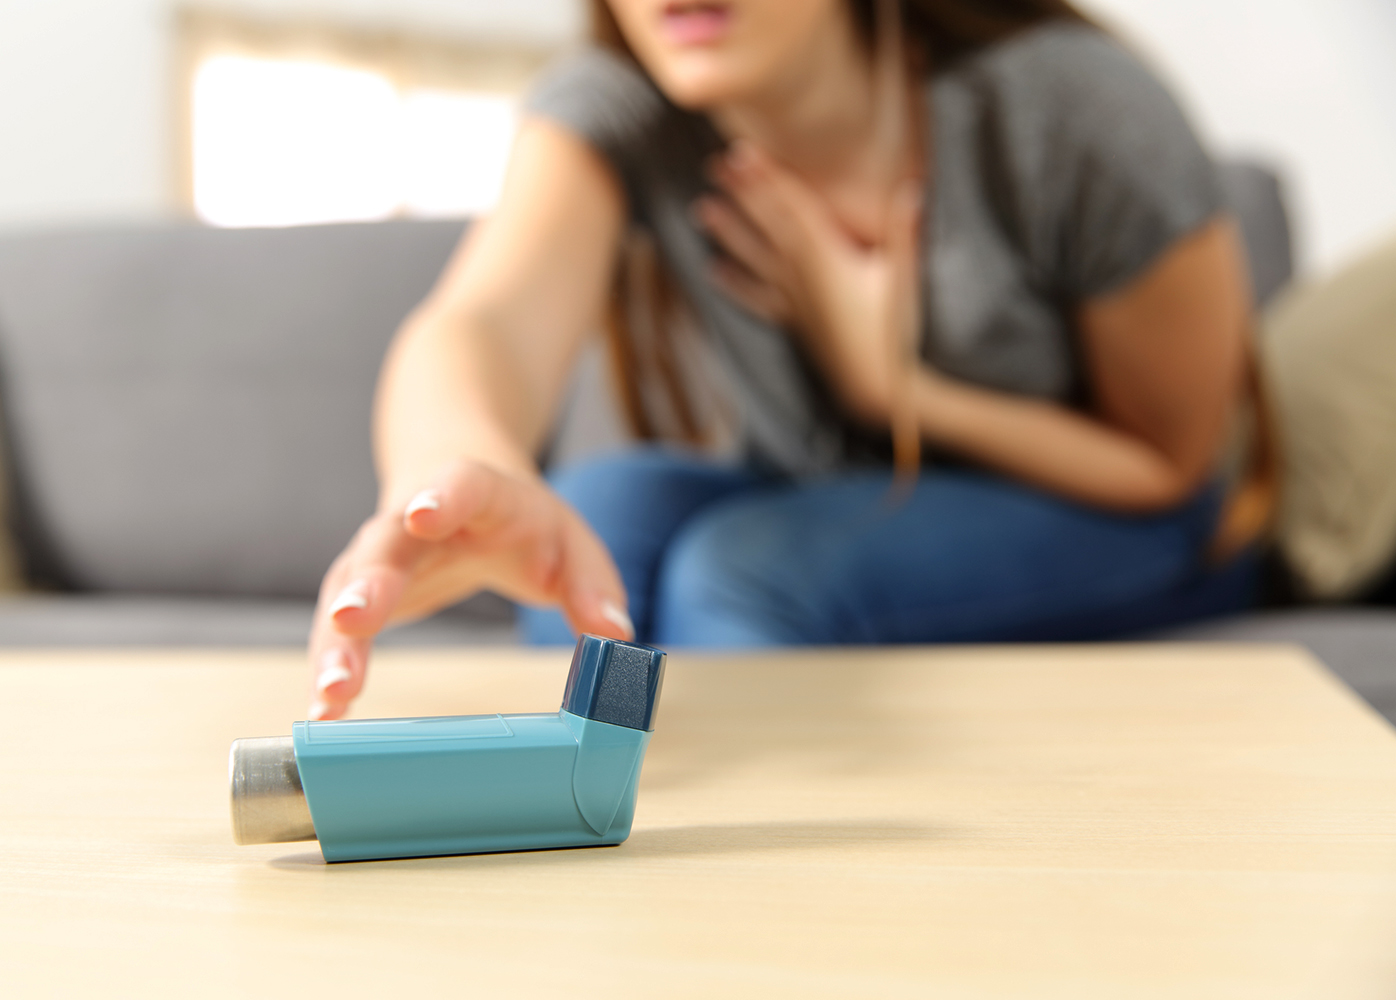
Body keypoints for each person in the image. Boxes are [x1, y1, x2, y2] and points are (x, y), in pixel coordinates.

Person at [305, 0, 1264, 721]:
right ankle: (595, 818)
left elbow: (1168, 465)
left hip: (1136, 514)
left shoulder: (1069, 104)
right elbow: (485, 322)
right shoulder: (623, 104)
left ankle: (758, 895)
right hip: (833, 495)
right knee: (595, 514)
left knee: (740, 573)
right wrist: (457, 478)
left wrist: (896, 390)